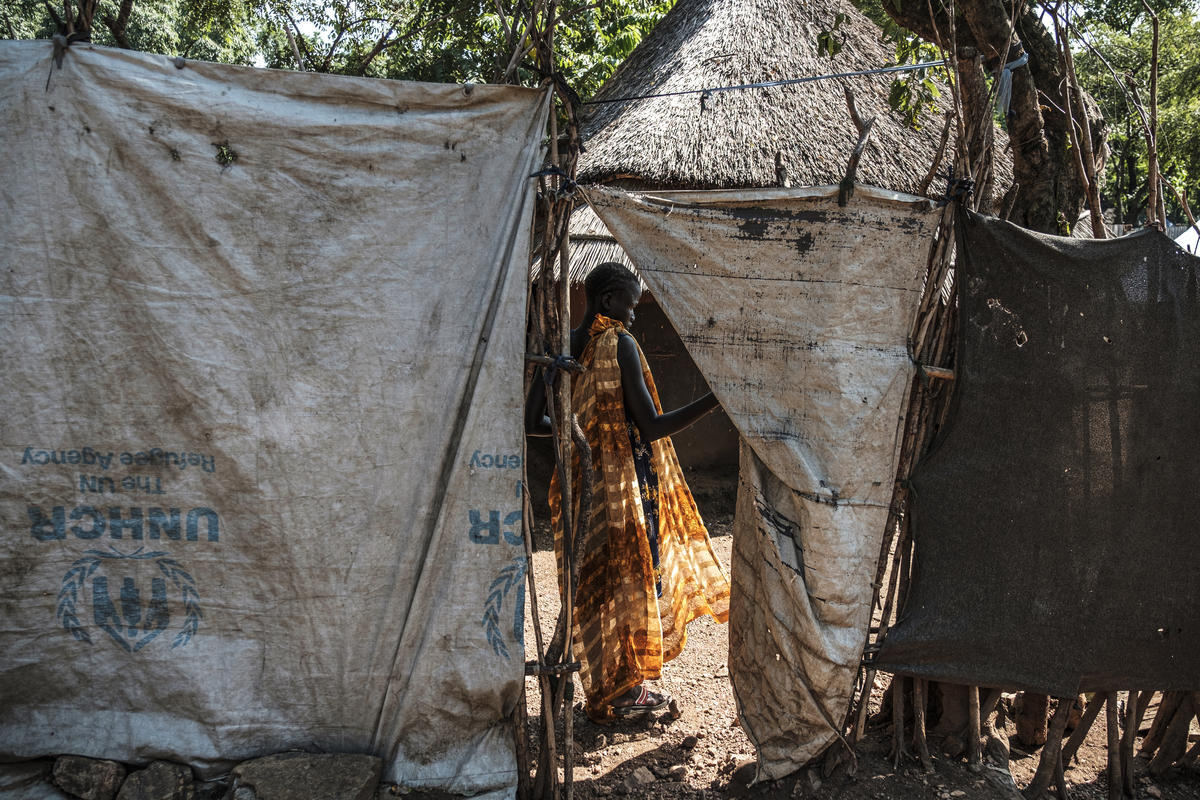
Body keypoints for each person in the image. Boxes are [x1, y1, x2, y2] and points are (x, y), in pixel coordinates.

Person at [527, 262, 731, 723]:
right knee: (628, 576)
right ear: (607, 300)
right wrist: (715, 400)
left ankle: (608, 686)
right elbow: (652, 426)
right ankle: (626, 691)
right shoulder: (620, 344)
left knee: (594, 582)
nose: (635, 315)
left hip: (580, 483)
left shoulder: (561, 350)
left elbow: (533, 420)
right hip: (624, 485)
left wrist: (582, 437)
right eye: (632, 305)